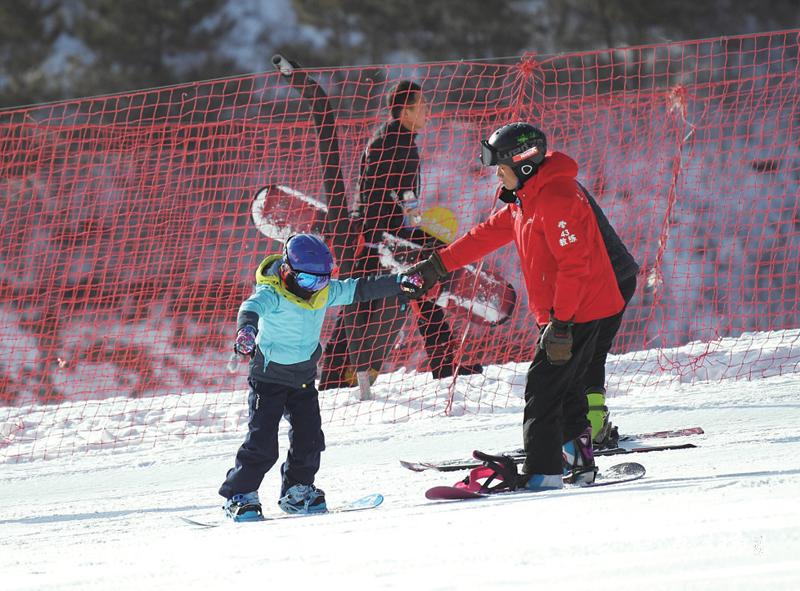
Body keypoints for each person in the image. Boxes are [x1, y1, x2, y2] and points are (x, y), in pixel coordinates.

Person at [407, 122, 633, 489]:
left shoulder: (556, 200)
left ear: (524, 165)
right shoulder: (527, 199)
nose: (497, 173)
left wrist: (561, 325)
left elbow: (576, 266)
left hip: (578, 311)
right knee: (570, 389)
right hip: (567, 311)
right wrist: (437, 266)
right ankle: (580, 465)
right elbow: (485, 234)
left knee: (542, 390)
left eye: (501, 166)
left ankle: (544, 472)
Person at [219, 233, 419, 520]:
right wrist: (246, 331)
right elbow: (250, 309)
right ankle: (240, 495)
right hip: (269, 379)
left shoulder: (322, 293)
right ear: (287, 271)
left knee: (309, 438)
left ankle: (297, 490)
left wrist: (398, 282)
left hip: (303, 379)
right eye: (308, 281)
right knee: (262, 442)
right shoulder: (272, 293)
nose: (315, 289)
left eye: (322, 280)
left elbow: (359, 288)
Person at [319, 80, 482, 390]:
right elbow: (400, 195)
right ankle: (332, 377)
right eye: (422, 106)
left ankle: (444, 363)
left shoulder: (388, 138)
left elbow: (380, 192)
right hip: (383, 241)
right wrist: (415, 230)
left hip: (378, 235)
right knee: (363, 304)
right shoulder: (396, 142)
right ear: (405, 110)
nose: (427, 113)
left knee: (414, 287)